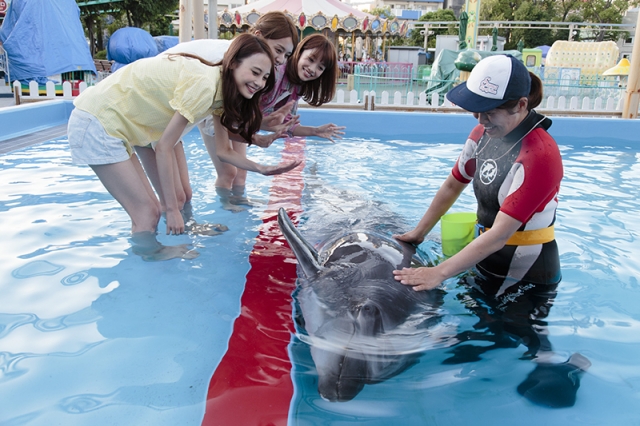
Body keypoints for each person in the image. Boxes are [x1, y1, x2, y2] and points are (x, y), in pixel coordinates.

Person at [392, 55, 590, 408]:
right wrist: (418, 234)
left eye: (489, 111)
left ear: (521, 105)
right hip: (485, 255)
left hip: (528, 269)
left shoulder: (540, 154)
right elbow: (453, 184)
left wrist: (438, 272)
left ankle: (567, 369)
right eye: (476, 110)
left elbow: (500, 233)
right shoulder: (482, 133)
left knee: (519, 336)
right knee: (478, 320)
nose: (480, 119)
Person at [67, 34, 300, 261]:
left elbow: (224, 151)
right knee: (148, 212)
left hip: (121, 126)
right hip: (98, 123)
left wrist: (262, 169)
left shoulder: (221, 91)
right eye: (255, 73)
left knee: (159, 206)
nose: (259, 83)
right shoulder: (205, 86)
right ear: (233, 64)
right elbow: (164, 147)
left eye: (265, 78)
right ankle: (149, 258)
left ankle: (165, 240)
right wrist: (173, 210)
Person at [137, 11, 301, 214]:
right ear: (258, 35)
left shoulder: (243, 64)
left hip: (170, 115)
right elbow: (215, 131)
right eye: (278, 50)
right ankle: (172, 240)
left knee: (185, 195)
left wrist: (259, 135)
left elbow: (222, 132)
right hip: (151, 113)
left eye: (286, 55)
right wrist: (256, 136)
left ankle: (183, 235)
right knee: (173, 201)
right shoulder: (227, 63)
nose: (280, 60)